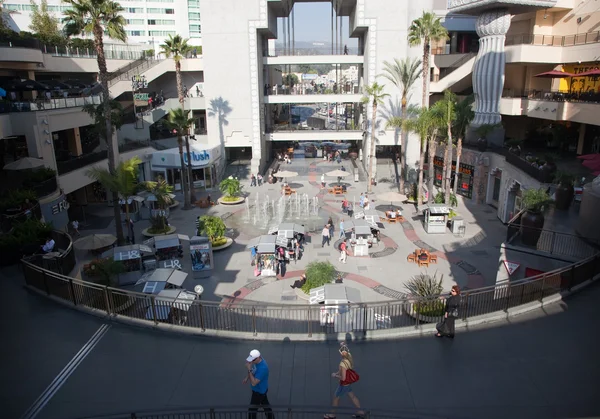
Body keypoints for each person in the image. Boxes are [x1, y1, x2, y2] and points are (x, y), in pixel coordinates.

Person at [324, 342, 364, 419]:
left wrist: (335, 375)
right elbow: (343, 370)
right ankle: (361, 412)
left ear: (342, 354)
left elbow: (343, 378)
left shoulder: (343, 363)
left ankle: (332, 415)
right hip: (347, 384)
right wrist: (343, 345)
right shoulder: (349, 358)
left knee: (336, 398)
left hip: (343, 384)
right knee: (353, 397)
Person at [243, 349, 274, 419]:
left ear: (258, 358)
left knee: (252, 410)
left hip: (258, 392)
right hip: (262, 390)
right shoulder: (258, 361)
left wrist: (249, 369)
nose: (251, 361)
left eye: (252, 360)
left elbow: (254, 383)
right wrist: (247, 377)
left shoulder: (263, 368)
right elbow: (254, 370)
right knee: (266, 407)